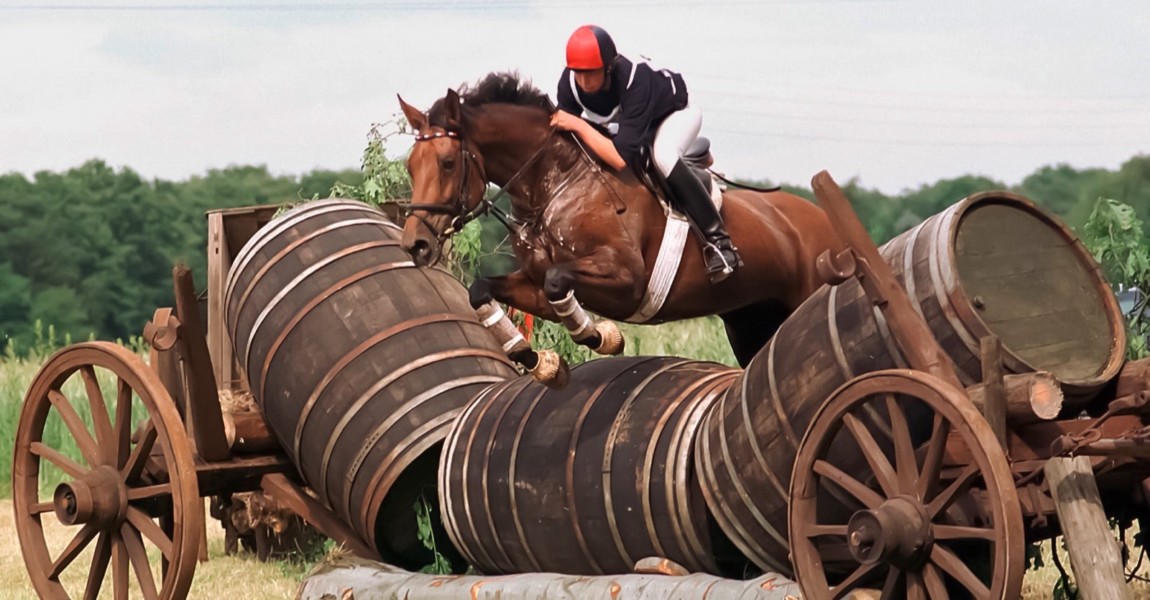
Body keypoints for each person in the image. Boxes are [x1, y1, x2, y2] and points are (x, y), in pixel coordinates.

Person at [550, 24, 743, 283]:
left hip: (675, 114)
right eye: (578, 74)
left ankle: (720, 243)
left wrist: (578, 123)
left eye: (590, 74)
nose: (583, 82)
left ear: (608, 67)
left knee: (661, 156)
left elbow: (618, 158)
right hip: (628, 123)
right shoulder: (570, 83)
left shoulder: (634, 80)